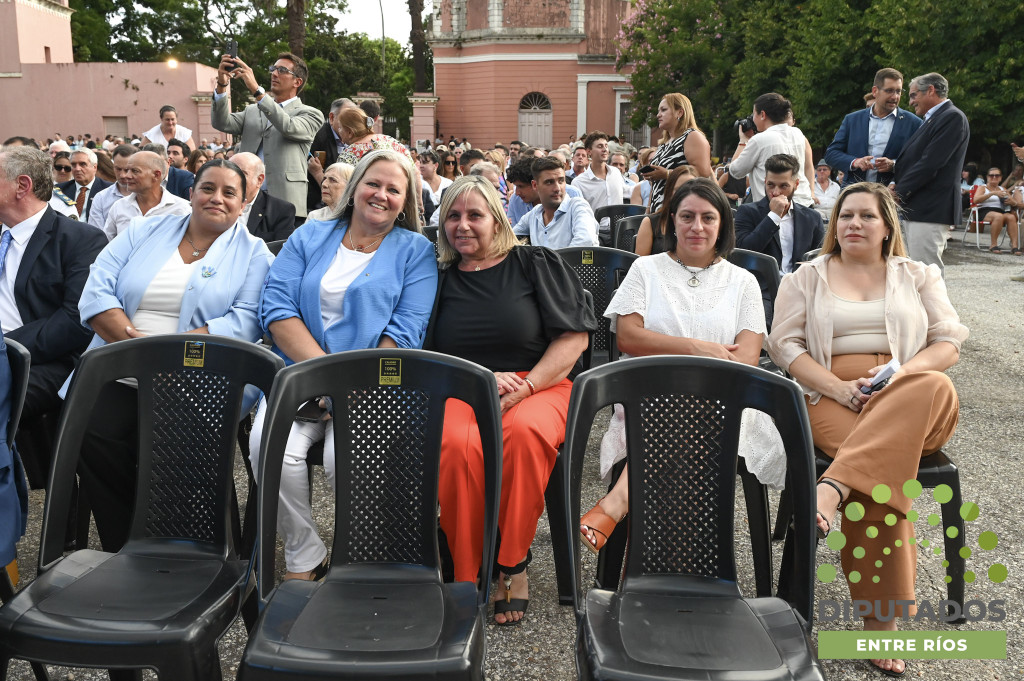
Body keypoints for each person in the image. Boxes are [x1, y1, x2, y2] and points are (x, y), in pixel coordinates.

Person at [767, 182, 968, 677]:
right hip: (834, 395)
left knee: (933, 384)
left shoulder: (918, 274)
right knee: (879, 476)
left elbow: (948, 342)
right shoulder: (805, 277)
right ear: (834, 224)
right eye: (845, 215)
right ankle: (882, 624)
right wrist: (837, 388)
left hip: (914, 395)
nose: (854, 223)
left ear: (886, 227)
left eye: (867, 216)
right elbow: (785, 346)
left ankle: (833, 484)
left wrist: (901, 375)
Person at [251, 149, 436, 581]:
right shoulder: (309, 235)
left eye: (393, 189)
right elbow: (276, 308)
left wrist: (347, 388)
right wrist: (324, 379)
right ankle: (304, 555)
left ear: (405, 202)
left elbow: (405, 332)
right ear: (354, 189)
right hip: (300, 376)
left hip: (374, 384)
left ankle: (361, 551)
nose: (381, 194)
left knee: (344, 459)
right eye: (373, 183)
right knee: (268, 447)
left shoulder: (416, 251)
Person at [74, 159, 274, 553]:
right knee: (93, 431)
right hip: (120, 365)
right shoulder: (144, 230)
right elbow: (98, 287)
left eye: (229, 192)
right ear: (191, 193)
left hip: (197, 377)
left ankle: (187, 551)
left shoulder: (255, 255)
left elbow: (246, 321)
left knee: (176, 448)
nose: (217, 198)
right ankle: (123, 547)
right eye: (208, 188)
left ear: (243, 202)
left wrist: (166, 357)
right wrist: (137, 350)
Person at [580, 178, 785, 556]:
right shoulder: (646, 270)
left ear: (722, 224)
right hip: (648, 396)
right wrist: (697, 348)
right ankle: (681, 552)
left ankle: (621, 504)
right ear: (671, 220)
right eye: (687, 216)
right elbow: (628, 337)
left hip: (725, 402)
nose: (697, 227)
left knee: (692, 409)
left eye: (708, 218)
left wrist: (691, 369)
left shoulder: (743, 282)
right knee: (669, 407)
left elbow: (745, 358)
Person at [427, 176, 595, 624]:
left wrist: (528, 386)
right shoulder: (437, 278)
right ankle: (467, 572)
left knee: (523, 433)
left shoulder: (533, 262)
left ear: (497, 220)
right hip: (464, 386)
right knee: (457, 446)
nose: (463, 225)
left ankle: (512, 562)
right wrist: (478, 378)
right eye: (453, 217)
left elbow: (573, 339)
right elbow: (425, 349)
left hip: (541, 384)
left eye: (474, 215)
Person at [0, 146, 108, 421]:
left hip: (43, 360)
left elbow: (75, 320)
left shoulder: (80, 239)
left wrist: (4, 347)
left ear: (22, 186)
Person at [212, 51, 325, 220]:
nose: (274, 74)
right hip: (246, 199)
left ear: (297, 82)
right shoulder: (252, 110)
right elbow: (221, 123)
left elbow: (289, 127)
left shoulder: (311, 114)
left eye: (282, 70)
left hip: (285, 200)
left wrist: (257, 91)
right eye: (273, 69)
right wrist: (222, 85)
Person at [893, 73, 970, 274]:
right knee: (916, 269)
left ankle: (933, 299)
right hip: (919, 206)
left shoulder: (951, 117)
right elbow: (918, 159)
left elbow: (931, 163)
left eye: (913, 95)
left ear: (931, 90)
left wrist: (898, 192)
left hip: (930, 207)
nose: (910, 102)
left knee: (926, 271)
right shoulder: (934, 118)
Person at [824, 68, 922, 187]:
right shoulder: (852, 120)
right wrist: (855, 162)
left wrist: (893, 165)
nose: (895, 97)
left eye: (898, 91)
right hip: (854, 192)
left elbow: (919, 160)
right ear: (875, 91)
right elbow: (831, 154)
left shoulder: (913, 123)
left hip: (890, 193)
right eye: (889, 91)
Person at [734, 153, 825, 275]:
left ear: (796, 185)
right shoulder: (747, 212)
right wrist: (773, 216)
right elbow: (743, 253)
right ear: (765, 182)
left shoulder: (812, 218)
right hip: (761, 285)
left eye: (784, 186)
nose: (776, 192)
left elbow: (820, 259)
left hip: (800, 283)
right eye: (770, 185)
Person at [728, 93, 815, 207]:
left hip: (773, 207)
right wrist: (812, 192)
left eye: (754, 114)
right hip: (803, 204)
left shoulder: (759, 140)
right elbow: (809, 166)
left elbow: (735, 171)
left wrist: (743, 141)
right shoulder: (798, 133)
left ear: (762, 114)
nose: (752, 119)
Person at [640, 93, 713, 213]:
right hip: (658, 211)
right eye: (658, 111)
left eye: (663, 110)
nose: (658, 115)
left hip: (680, 209)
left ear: (680, 112)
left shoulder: (692, 136)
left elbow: (703, 173)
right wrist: (648, 212)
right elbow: (656, 185)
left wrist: (667, 174)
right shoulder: (665, 143)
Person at [511, 156, 599, 248]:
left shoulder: (578, 206)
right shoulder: (534, 214)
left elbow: (586, 241)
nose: (557, 188)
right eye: (549, 182)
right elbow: (509, 239)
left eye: (561, 181)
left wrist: (546, 258)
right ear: (535, 185)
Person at [102, 150, 191, 240]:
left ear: (156, 175)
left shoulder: (182, 209)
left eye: (135, 171)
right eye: (127, 170)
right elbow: (107, 242)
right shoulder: (119, 206)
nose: (127, 176)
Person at [231, 152, 297, 243]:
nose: (232, 178)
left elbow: (279, 249)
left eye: (242, 174)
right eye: (229, 172)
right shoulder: (215, 203)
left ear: (259, 180)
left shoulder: (280, 210)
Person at [306, 97, 358, 212]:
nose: (351, 123)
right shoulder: (318, 138)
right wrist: (318, 173)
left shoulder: (357, 140)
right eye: (345, 118)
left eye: (353, 118)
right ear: (332, 118)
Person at [572, 131, 625, 242]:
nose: (605, 149)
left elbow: (628, 192)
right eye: (600, 146)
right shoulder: (579, 182)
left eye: (606, 146)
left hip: (620, 230)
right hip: (595, 233)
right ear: (589, 151)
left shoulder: (616, 173)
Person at [634, 165, 695, 256]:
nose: (685, 195)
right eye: (678, 190)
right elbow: (640, 262)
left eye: (691, 190)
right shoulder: (650, 223)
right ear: (669, 192)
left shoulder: (703, 225)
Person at [334, 107, 410, 167]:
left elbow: (340, 181)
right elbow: (413, 171)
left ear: (350, 132)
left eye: (340, 127)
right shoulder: (392, 142)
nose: (338, 131)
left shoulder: (348, 155)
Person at [57, 148, 113, 226]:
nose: (77, 169)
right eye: (73, 165)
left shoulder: (109, 190)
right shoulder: (59, 190)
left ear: (95, 167)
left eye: (82, 164)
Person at [88, 145, 138, 231]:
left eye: (127, 170)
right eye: (118, 169)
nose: (122, 175)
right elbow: (96, 233)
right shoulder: (101, 198)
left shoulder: (148, 196)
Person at [973, 167, 1021, 254]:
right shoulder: (983, 187)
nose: (994, 177)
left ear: (1000, 178)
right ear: (987, 177)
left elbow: (1014, 202)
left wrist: (1012, 202)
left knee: (1011, 217)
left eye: (997, 175)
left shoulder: (1003, 189)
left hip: (1000, 211)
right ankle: (993, 244)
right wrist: (992, 193)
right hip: (984, 210)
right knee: (998, 216)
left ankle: (1014, 246)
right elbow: (975, 200)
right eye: (991, 175)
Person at [418, 150, 452, 222]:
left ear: (435, 165)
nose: (421, 166)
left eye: (425, 162)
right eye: (420, 162)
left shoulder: (448, 183)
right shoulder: (417, 183)